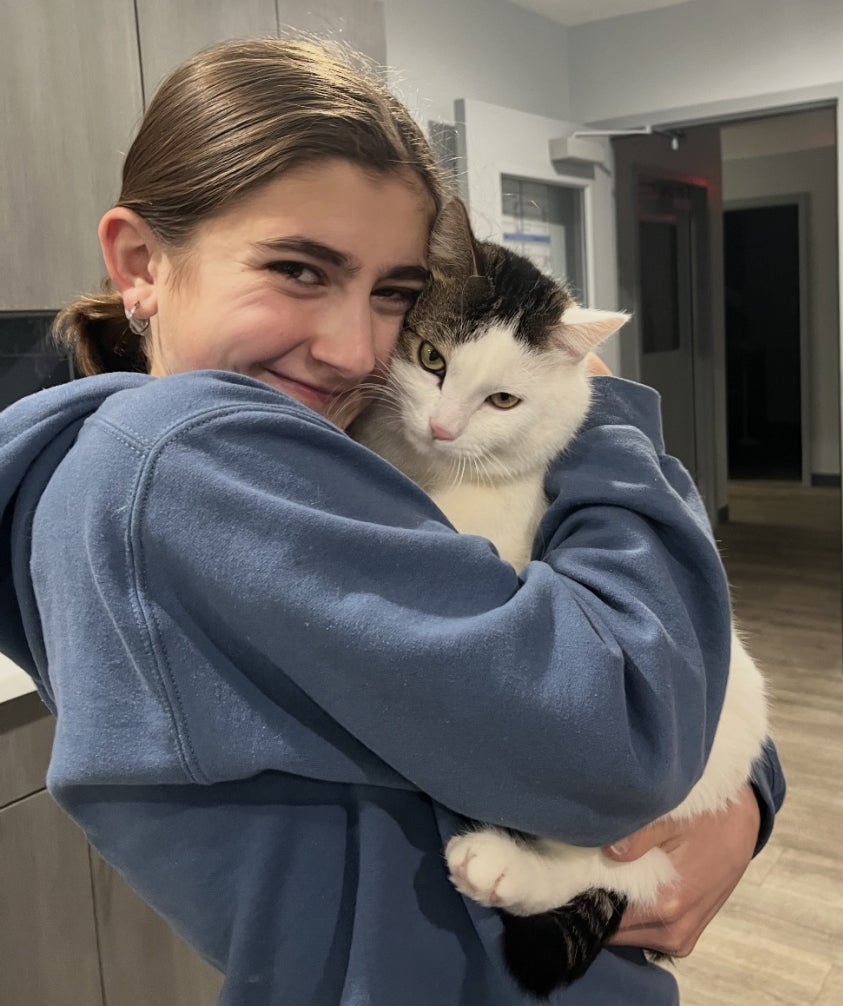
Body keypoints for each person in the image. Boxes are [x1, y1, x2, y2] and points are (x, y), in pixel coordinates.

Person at [0, 37, 784, 1006]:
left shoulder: (294, 447)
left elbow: (631, 677)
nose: (354, 347)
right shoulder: (189, 463)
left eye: (395, 295)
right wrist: (604, 415)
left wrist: (743, 796)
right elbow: (622, 738)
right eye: (297, 269)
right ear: (140, 260)